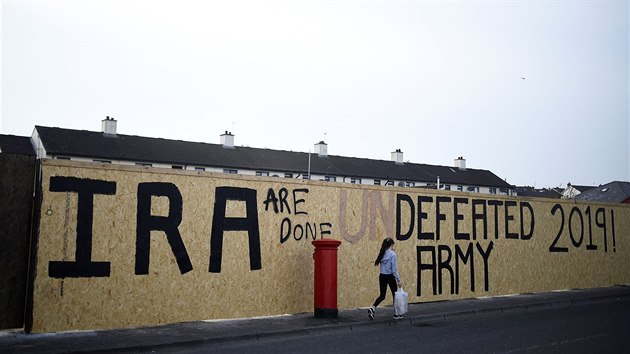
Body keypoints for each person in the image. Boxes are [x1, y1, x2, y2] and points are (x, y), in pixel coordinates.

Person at [368, 237, 403, 320]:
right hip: (390, 276)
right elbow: (394, 270)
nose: (394, 246)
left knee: (382, 295)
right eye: (393, 244)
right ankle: (396, 314)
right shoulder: (393, 255)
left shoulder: (382, 253)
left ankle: (373, 308)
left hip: (382, 276)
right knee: (395, 295)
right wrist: (398, 280)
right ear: (391, 245)